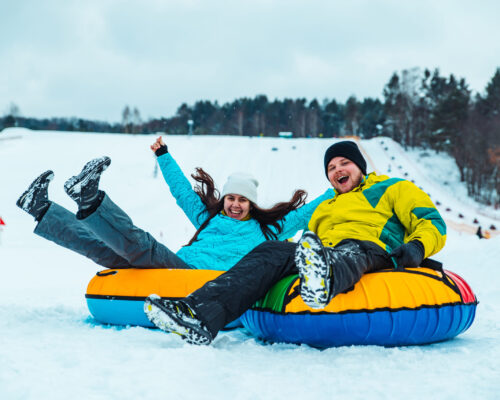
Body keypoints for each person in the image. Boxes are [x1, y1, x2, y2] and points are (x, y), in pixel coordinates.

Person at [144, 140, 447, 345]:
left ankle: (324, 279)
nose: (338, 170)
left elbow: (432, 222)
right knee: (270, 250)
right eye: (331, 168)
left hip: (371, 249)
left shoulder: (392, 187)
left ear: (360, 166)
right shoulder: (326, 208)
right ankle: (198, 315)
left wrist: (417, 248)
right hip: (325, 251)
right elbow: (306, 244)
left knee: (351, 249)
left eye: (345, 163)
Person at [16, 137, 332, 271]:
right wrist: (164, 156)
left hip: (194, 278)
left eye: (242, 200)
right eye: (231, 198)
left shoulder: (268, 230)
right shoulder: (208, 219)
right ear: (224, 199)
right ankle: (41, 208)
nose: (235, 204)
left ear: (251, 204)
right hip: (176, 267)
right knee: (102, 246)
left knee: (141, 244)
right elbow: (182, 193)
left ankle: (89, 198)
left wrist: (340, 188)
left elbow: (308, 212)